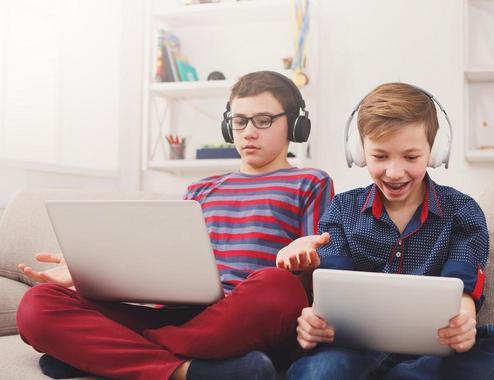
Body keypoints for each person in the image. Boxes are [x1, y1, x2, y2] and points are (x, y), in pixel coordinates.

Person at [16, 71, 334, 380]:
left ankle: (96, 356)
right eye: (239, 121)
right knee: (37, 305)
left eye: (263, 120)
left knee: (279, 286)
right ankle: (187, 370)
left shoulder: (310, 182)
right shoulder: (200, 190)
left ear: (295, 124)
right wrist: (94, 271)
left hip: (246, 316)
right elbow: (165, 264)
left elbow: (314, 282)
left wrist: (301, 263)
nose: (249, 132)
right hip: (180, 314)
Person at [277, 83, 494, 380]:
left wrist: (464, 323)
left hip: (435, 354)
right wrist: (315, 320)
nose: (394, 172)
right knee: (320, 370)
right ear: (360, 151)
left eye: (411, 157)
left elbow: (463, 287)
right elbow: (330, 292)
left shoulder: (462, 211)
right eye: (380, 157)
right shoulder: (342, 209)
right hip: (353, 352)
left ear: (434, 151)